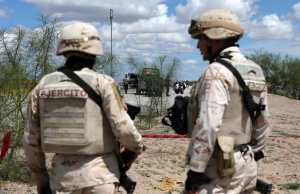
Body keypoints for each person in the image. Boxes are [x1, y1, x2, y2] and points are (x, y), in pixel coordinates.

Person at [23, 22, 144, 194]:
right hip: (101, 177)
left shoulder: (43, 84)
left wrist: (42, 180)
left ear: (63, 51)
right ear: (95, 52)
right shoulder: (103, 82)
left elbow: (30, 140)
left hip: (62, 179)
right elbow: (124, 128)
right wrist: (135, 149)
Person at [184, 9, 271, 194]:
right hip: (246, 163)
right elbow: (263, 121)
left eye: (201, 38)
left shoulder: (216, 72)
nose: (198, 45)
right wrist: (252, 153)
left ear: (214, 38)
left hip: (218, 168)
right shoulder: (255, 70)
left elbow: (208, 125)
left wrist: (196, 170)